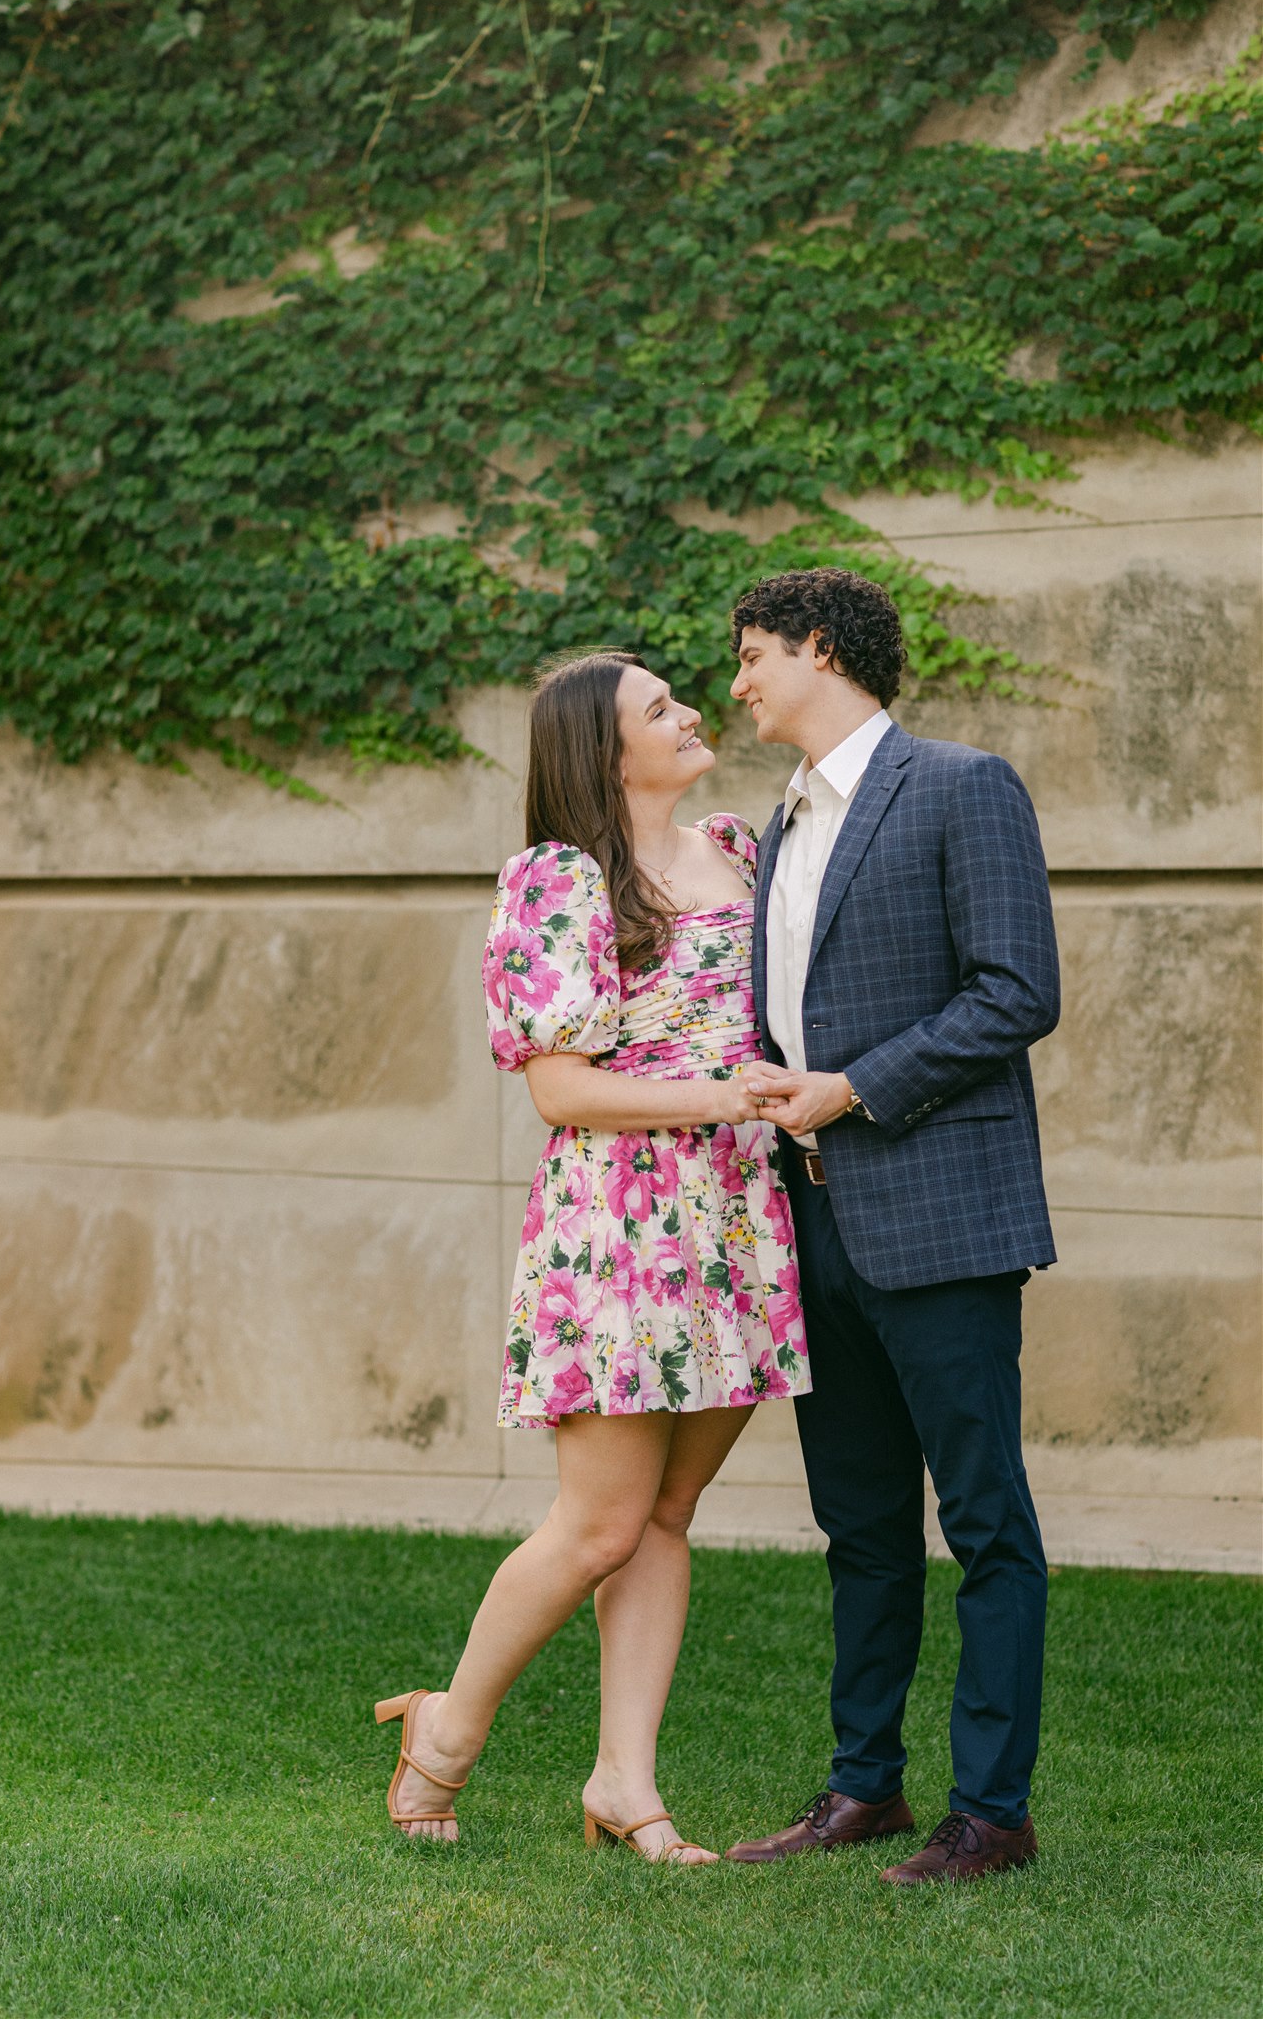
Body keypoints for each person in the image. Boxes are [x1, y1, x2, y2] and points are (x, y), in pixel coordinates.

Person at [374, 648, 810, 1863]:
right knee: (598, 1523)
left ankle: (626, 1783)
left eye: (679, 695)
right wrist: (725, 1096)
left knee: (666, 1511)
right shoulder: (557, 880)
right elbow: (561, 1092)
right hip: (624, 1219)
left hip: (735, 1219)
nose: (689, 713)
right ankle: (445, 1732)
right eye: (657, 708)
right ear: (602, 752)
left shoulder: (737, 841)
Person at [723, 568, 1060, 1885]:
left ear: (818, 648)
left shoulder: (960, 786)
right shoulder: (781, 819)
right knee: (859, 1525)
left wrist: (850, 1088)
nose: (738, 681)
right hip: (814, 1224)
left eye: (750, 654)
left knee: (983, 1522)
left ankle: (992, 1812)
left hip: (941, 1217)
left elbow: (1013, 992)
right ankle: (860, 1785)